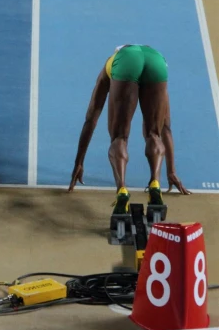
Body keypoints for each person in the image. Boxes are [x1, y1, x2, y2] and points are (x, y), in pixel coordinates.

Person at [68, 44, 191, 213]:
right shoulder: (155, 58)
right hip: (157, 62)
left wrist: (79, 162)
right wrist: (171, 171)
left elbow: (91, 118)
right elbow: (166, 128)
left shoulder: (111, 63)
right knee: (154, 134)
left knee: (119, 137)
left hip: (127, 64)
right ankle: (155, 183)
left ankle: (122, 191)